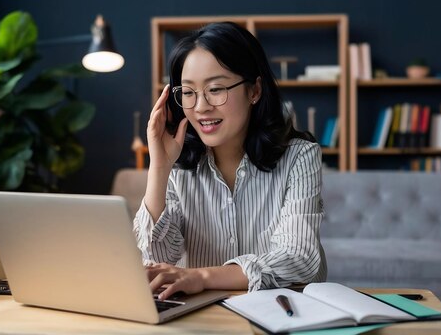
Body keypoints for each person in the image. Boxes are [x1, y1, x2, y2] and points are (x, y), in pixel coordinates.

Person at [133, 21, 326, 301]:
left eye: (216, 89)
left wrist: (202, 277)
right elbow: (156, 260)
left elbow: (298, 259)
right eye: (188, 92)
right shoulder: (177, 164)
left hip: (283, 311)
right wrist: (160, 168)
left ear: (254, 91)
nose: (200, 107)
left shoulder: (300, 156)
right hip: (203, 316)